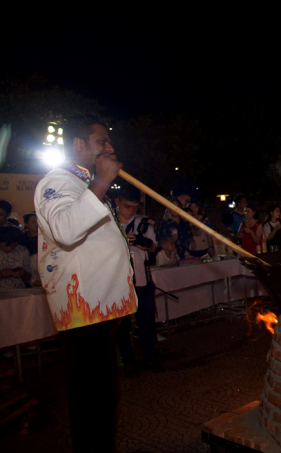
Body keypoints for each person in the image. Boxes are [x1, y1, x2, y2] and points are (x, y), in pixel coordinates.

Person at [34, 113, 136, 453]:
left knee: (104, 397)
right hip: (83, 312)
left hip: (99, 310)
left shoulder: (82, 184)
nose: (110, 147)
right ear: (79, 145)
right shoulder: (56, 181)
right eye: (101, 142)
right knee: (91, 399)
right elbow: (65, 228)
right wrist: (103, 182)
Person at [114, 185, 163, 377]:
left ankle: (150, 357)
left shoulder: (144, 223)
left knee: (146, 322)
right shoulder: (108, 223)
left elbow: (153, 248)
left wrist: (143, 242)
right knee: (123, 325)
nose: (132, 210)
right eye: (127, 206)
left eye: (135, 207)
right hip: (119, 283)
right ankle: (128, 361)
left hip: (142, 281)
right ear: (117, 203)